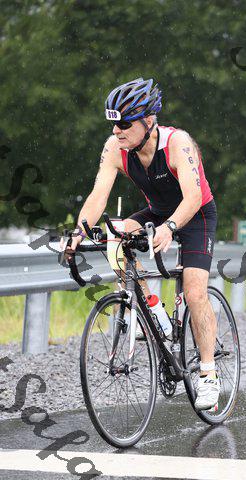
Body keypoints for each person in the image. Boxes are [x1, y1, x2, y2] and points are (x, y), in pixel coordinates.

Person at [68, 77, 220, 410]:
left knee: (194, 291)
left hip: (195, 214)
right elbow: (98, 195)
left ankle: (208, 373)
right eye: (113, 124)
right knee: (115, 233)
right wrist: (78, 233)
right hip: (157, 211)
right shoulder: (116, 148)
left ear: (148, 120)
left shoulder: (177, 143)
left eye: (124, 124)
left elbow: (193, 197)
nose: (116, 131)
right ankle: (151, 309)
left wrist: (170, 227)